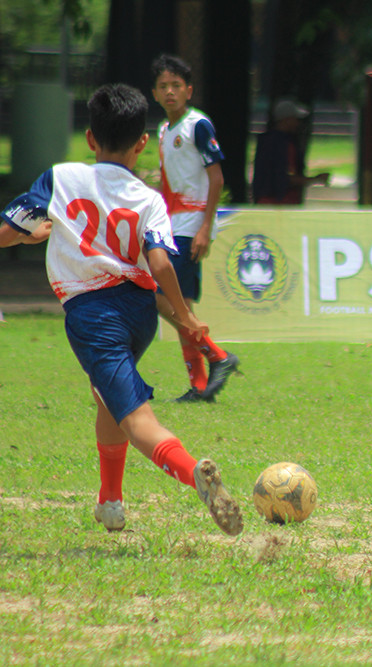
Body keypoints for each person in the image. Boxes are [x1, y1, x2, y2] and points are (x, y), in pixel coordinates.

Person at [0, 83, 243, 536]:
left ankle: (194, 473)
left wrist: (30, 236)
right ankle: (110, 502)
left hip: (93, 315)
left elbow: (7, 231)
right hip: (139, 315)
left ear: (90, 139)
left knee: (135, 416)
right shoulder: (149, 199)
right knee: (106, 395)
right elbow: (157, 263)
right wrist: (186, 318)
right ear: (142, 143)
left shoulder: (61, 176)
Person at [151, 54, 240, 402]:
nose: (170, 91)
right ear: (155, 94)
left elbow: (215, 177)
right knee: (180, 304)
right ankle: (200, 386)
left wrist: (206, 227)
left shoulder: (197, 124)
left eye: (176, 85)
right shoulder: (163, 130)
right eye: (163, 86)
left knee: (164, 299)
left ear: (189, 90)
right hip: (172, 223)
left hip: (191, 223)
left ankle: (218, 356)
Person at [252, 99, 330, 204]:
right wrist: (316, 179)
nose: (298, 123)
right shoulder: (284, 145)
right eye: (296, 119)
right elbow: (286, 177)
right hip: (279, 202)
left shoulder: (265, 141)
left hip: (264, 200)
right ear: (287, 119)